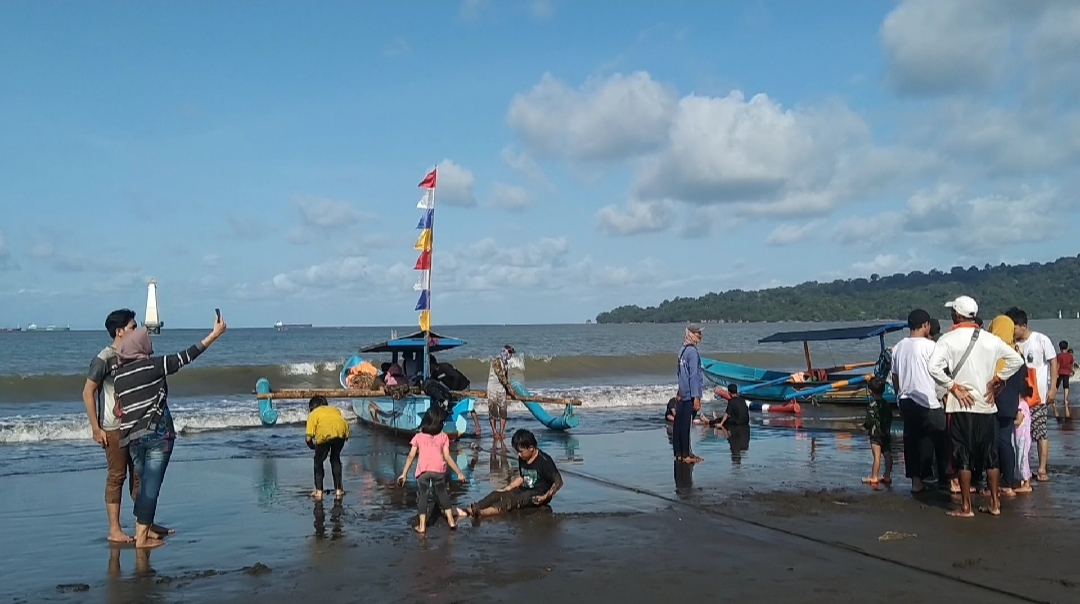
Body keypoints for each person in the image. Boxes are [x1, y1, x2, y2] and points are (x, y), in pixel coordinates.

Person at [111, 313, 227, 548]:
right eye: (147, 341)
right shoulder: (153, 366)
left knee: (144, 485)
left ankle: (144, 529)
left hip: (131, 438)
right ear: (139, 346)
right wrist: (214, 334)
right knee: (151, 487)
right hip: (157, 435)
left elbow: (118, 409)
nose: (151, 344)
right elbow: (188, 355)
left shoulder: (119, 375)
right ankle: (142, 539)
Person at [929, 296, 1023, 518]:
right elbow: (1016, 360)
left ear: (957, 315)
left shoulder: (948, 339)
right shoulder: (991, 339)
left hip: (961, 405)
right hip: (986, 405)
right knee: (991, 456)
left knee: (963, 456)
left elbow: (933, 367)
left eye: (953, 311)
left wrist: (952, 386)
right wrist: (998, 379)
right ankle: (994, 504)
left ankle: (966, 507)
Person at [81, 308, 144, 543]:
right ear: (119, 331)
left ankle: (143, 525)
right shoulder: (104, 358)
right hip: (113, 427)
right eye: (132, 328)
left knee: (140, 475)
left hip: (136, 424)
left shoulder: (135, 354)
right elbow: (88, 392)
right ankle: (114, 529)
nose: (136, 331)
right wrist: (96, 429)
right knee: (117, 476)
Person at [891, 309, 949, 494]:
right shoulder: (930, 346)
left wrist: (899, 394)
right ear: (926, 325)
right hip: (927, 399)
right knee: (942, 438)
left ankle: (917, 482)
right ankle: (948, 480)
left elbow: (895, 376)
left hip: (906, 399)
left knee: (913, 441)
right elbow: (942, 373)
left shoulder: (898, 346)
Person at [1005, 307, 1057, 481]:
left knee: (1040, 432)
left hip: (1038, 397)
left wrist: (1053, 388)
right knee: (1020, 436)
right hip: (1018, 399)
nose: (1012, 331)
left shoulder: (1041, 340)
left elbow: (1053, 362)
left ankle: (1042, 469)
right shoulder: (1012, 344)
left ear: (1023, 326)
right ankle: (1023, 469)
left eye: (1014, 327)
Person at [397, 408, 468, 533]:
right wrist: (459, 473)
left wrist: (404, 474)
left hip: (423, 471)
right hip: (439, 470)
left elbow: (411, 456)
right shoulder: (443, 437)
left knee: (423, 496)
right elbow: (447, 457)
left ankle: (422, 526)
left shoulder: (418, 437)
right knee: (442, 494)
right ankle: (451, 521)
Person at [467, 429, 562, 517]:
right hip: (523, 489)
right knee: (497, 494)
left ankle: (482, 513)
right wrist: (507, 488)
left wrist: (545, 497)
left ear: (531, 448)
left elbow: (558, 482)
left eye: (521, 452)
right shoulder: (523, 458)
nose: (519, 455)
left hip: (538, 494)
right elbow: (522, 477)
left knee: (512, 501)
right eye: (517, 452)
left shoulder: (545, 461)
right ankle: (472, 509)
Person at [987, 316, 1028, 498]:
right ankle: (1008, 481)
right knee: (1006, 441)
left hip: (996, 403)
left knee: (996, 442)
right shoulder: (1017, 353)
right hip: (1012, 404)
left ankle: (1002, 482)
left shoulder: (996, 353)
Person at [305, 395, 350, 501]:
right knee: (335, 458)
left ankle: (319, 491)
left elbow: (308, 438)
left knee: (318, 462)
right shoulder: (334, 410)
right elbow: (338, 421)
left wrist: (312, 446)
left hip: (325, 435)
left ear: (312, 407)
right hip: (341, 432)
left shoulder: (313, 414)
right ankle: (339, 490)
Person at [674, 324, 705, 464]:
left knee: (679, 425)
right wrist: (696, 397)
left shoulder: (682, 350)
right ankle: (686, 455)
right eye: (698, 333)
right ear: (691, 334)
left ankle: (679, 453)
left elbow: (680, 374)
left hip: (682, 393)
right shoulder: (692, 352)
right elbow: (693, 375)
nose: (700, 335)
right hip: (689, 395)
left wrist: (679, 391)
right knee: (686, 426)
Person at [861, 377, 893, 486]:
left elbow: (869, 422)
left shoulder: (872, 407)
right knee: (888, 455)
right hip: (886, 433)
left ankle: (874, 476)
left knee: (877, 456)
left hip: (876, 435)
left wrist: (864, 427)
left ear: (870, 392)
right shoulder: (887, 404)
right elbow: (890, 417)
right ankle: (887, 475)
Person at [486, 345, 516, 440]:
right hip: (492, 389)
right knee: (493, 411)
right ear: (505, 352)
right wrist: (510, 388)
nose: (511, 355)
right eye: (510, 353)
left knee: (503, 411)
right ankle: (495, 432)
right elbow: (501, 376)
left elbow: (506, 378)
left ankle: (501, 431)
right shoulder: (497, 362)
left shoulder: (506, 364)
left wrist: (507, 390)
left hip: (501, 390)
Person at [1055, 341, 1073, 419]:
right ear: (1067, 347)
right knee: (1066, 386)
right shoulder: (1070, 356)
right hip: (1067, 372)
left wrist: (1056, 372)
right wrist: (1071, 371)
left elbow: (1058, 364)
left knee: (1056, 385)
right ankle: (1066, 399)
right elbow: (1071, 364)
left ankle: (1054, 398)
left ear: (1060, 348)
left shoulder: (1059, 356)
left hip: (1060, 372)